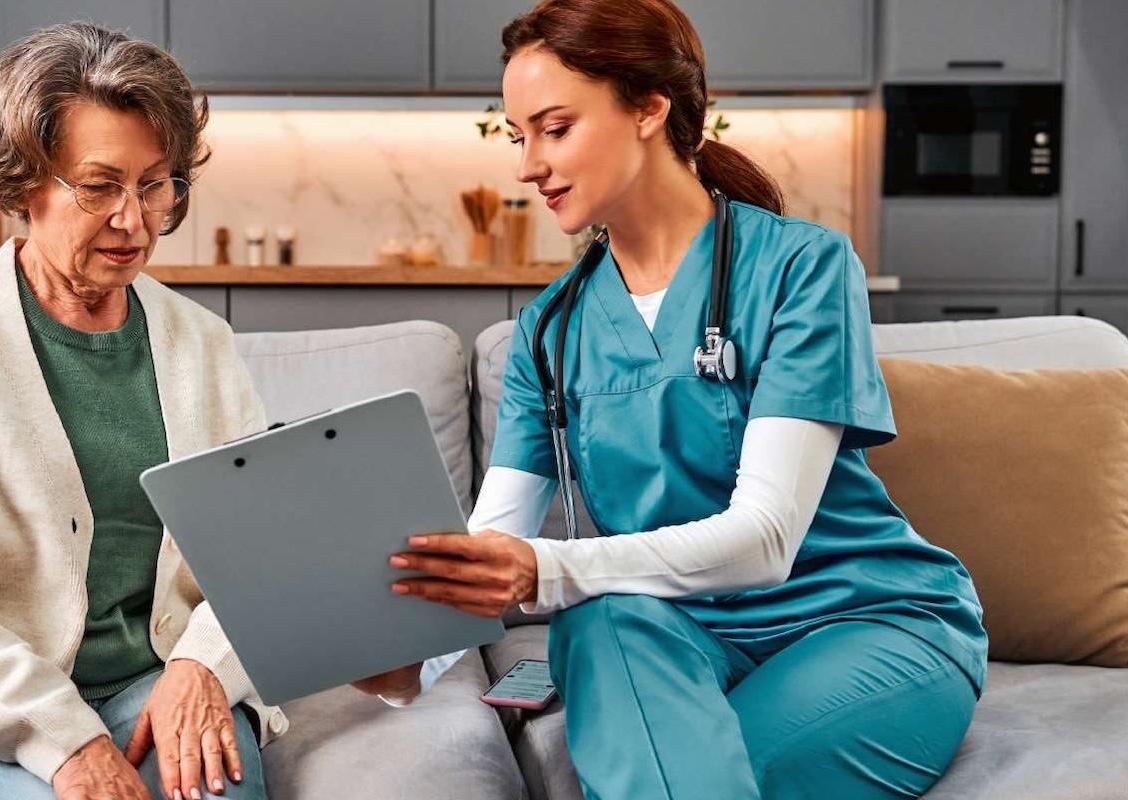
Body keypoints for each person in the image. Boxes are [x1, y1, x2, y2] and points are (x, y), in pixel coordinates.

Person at [353, 1, 986, 797]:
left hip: (859, 621)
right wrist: (399, 664)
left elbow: (763, 541)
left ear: (650, 107)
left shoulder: (802, 269)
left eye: (554, 128)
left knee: (680, 768)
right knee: (596, 618)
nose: (525, 165)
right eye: (518, 136)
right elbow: (491, 553)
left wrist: (543, 570)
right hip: (672, 636)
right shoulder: (547, 330)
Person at [0, 23, 278, 800]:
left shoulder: (203, 345)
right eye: (99, 185)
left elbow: (254, 553)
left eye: (155, 183)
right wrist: (65, 741)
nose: (134, 220)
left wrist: (200, 667)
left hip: (153, 682)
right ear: (23, 186)